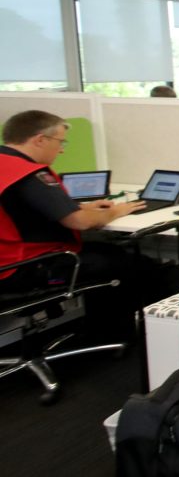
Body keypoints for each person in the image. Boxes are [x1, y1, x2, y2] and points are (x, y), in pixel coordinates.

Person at [0, 110, 149, 340]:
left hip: (7, 264)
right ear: (40, 139)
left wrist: (86, 207)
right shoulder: (28, 174)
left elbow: (21, 210)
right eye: (60, 142)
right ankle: (116, 337)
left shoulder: (5, 165)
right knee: (128, 261)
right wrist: (118, 210)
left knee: (106, 253)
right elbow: (79, 222)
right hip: (23, 271)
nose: (62, 149)